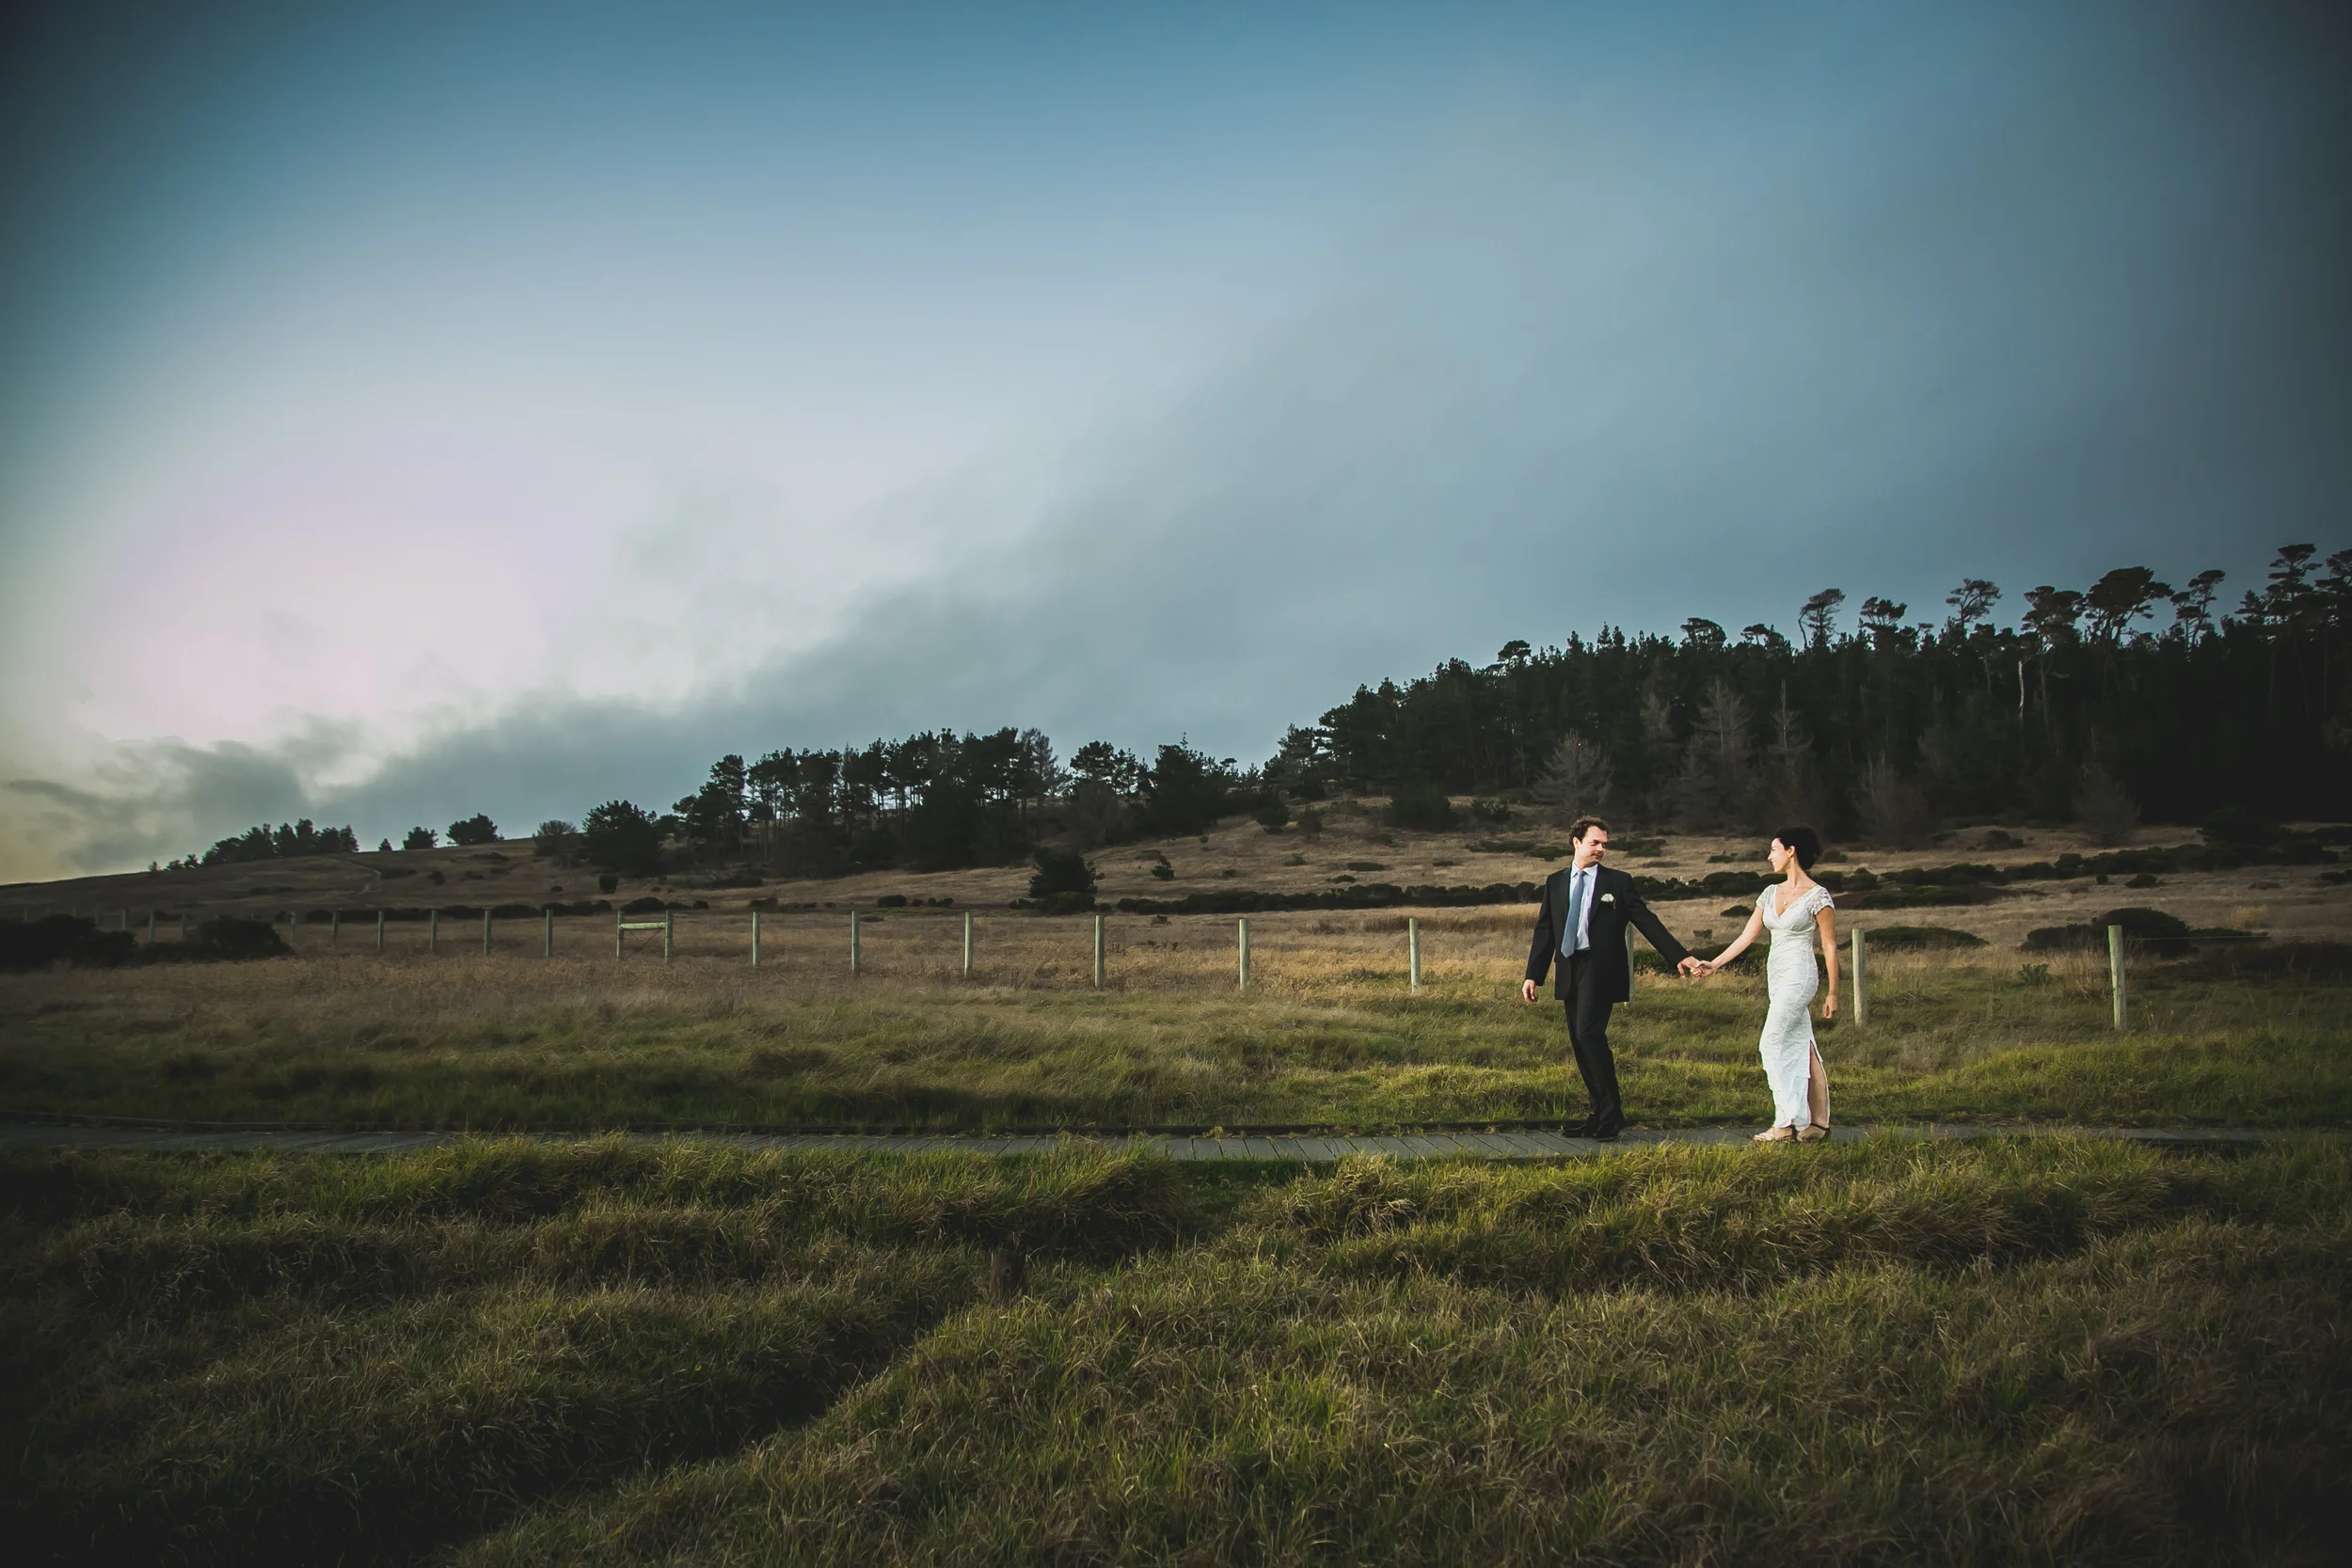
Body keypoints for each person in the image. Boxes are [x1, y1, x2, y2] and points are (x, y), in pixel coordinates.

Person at [1522, 816, 1703, 1140]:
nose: (1602, 849)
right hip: (1569, 966)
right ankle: (1598, 1113)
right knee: (1579, 1041)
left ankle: (1612, 1113)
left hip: (1600, 967)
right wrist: (1533, 975)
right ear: (1576, 842)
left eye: (1604, 843)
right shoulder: (1556, 882)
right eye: (1595, 843)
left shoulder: (1617, 882)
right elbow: (1546, 929)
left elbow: (1646, 920)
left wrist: (1680, 955)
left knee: (1589, 1034)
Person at [1694, 826, 1837, 1143]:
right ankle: (1819, 1124)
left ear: (1791, 851)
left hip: (1801, 976)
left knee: (1770, 1042)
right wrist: (1714, 964)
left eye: (1774, 849)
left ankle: (1785, 1123)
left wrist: (1832, 992)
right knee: (1804, 1045)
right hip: (1777, 975)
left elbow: (1828, 946)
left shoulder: (1818, 896)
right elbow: (1748, 935)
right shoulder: (1770, 893)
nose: (1768, 855)